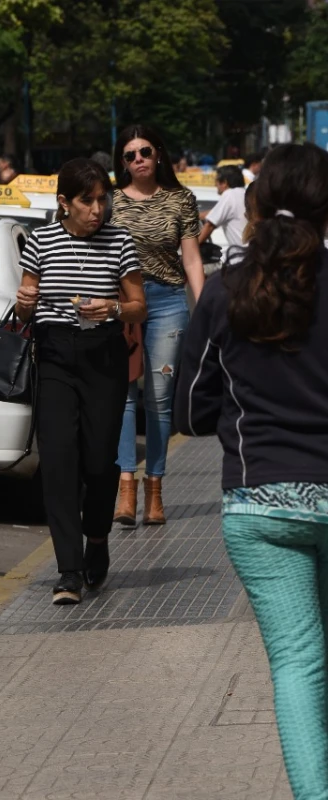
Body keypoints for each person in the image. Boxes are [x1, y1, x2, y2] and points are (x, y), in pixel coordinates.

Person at [175, 142, 328, 800]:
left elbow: (186, 407)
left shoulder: (226, 293)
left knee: (299, 663)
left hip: (261, 505)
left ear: (254, 206)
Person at [14, 158, 147, 604]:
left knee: (98, 460)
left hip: (103, 354)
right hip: (54, 355)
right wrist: (25, 302)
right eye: (87, 201)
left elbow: (138, 305)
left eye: (102, 199)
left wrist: (111, 308)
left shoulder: (120, 242)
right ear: (63, 203)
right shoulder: (41, 241)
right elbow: (24, 309)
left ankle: (97, 537)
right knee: (58, 460)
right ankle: (68, 570)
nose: (97, 209)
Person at [110, 124, 205, 527]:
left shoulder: (181, 200)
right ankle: (126, 488)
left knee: (160, 401)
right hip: (123, 303)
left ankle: (155, 490)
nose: (138, 160)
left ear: (159, 154)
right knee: (123, 396)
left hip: (167, 301)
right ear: (122, 163)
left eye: (145, 152)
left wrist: (205, 311)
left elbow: (192, 261)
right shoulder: (110, 201)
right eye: (129, 155)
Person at [198, 165, 248, 248]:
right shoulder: (244, 194)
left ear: (224, 183)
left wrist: (191, 249)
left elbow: (209, 225)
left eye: (216, 181)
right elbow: (212, 213)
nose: (215, 185)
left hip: (242, 256)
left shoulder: (229, 195)